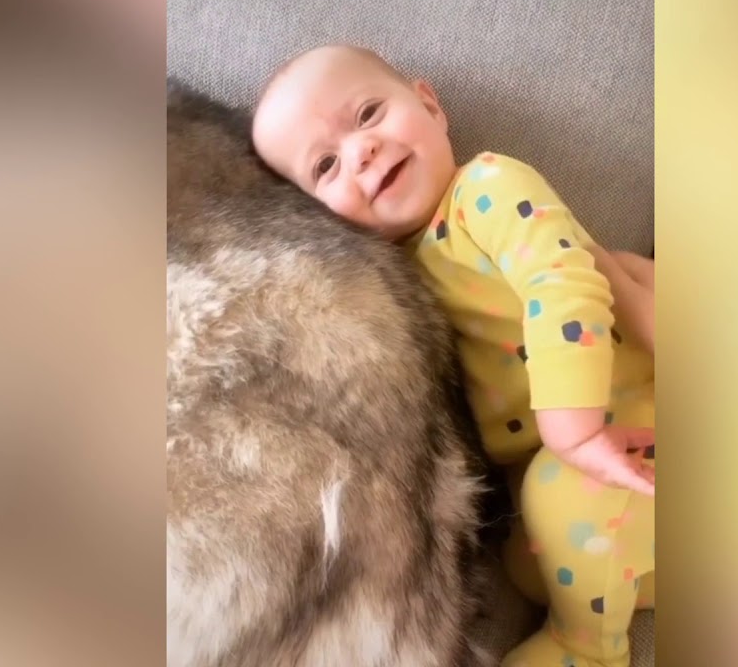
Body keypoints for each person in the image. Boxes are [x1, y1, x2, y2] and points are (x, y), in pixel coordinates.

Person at [253, 44, 655, 666]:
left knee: (559, 496)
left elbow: (563, 281)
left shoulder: (485, 191)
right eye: (327, 165)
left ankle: (590, 648)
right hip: (588, 495)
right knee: (530, 564)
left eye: (367, 114)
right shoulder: (393, 284)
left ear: (431, 107)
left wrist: (572, 430)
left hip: (628, 424)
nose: (361, 150)